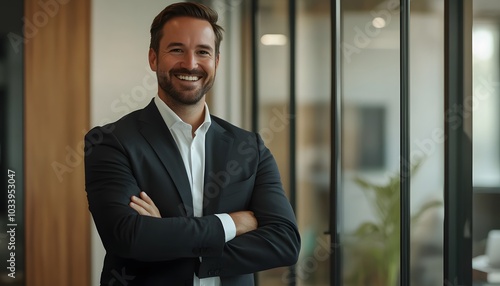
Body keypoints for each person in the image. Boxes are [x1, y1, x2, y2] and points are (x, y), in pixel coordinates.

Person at [84, 2, 300, 285]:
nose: (190, 63)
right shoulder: (111, 142)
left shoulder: (250, 147)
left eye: (203, 52)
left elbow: (284, 242)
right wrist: (232, 223)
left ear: (216, 62)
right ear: (153, 58)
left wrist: (165, 235)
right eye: (176, 50)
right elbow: (128, 237)